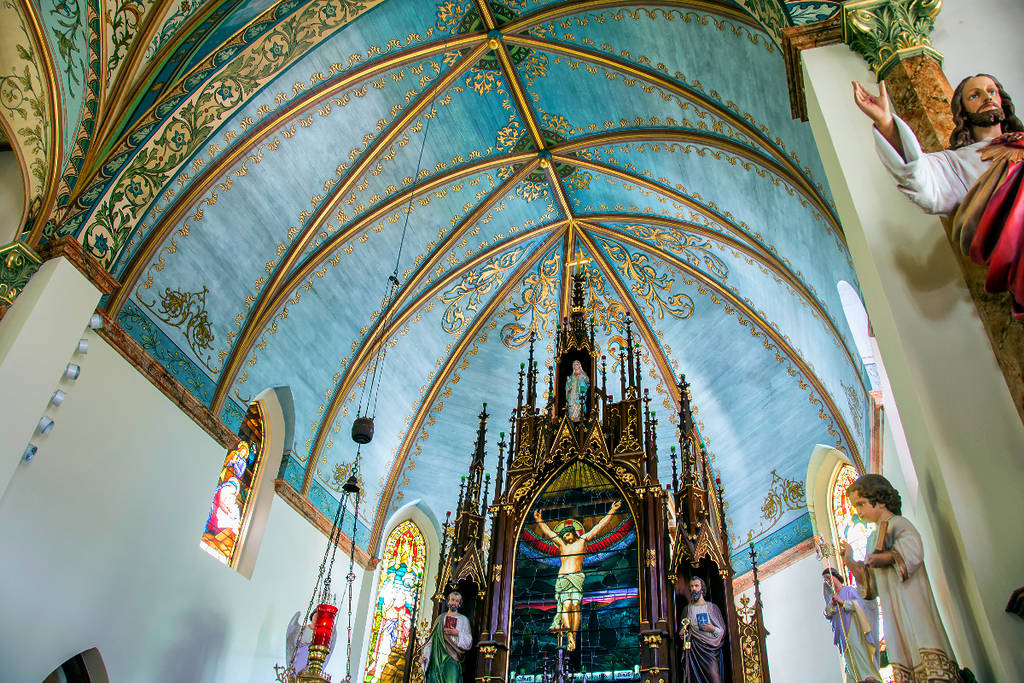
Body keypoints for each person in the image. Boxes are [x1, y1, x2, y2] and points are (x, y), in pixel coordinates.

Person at [853, 75, 1024, 316]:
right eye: (975, 95)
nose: (987, 97)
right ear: (963, 112)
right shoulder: (956, 163)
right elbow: (917, 176)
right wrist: (887, 123)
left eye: (992, 92)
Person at [840, 474, 960, 682]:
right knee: (903, 651)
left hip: (912, 601)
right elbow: (870, 587)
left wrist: (885, 558)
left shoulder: (898, 524)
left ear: (879, 499)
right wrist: (850, 560)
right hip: (892, 609)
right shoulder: (871, 541)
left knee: (923, 642)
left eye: (861, 504)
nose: (858, 511)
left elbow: (913, 552)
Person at [532, 500, 623, 650]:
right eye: (564, 535)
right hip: (563, 579)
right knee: (566, 605)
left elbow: (598, 527)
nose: (567, 537)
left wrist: (612, 511)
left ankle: (573, 634)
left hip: (576, 577)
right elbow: (549, 533)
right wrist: (539, 520)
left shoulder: (583, 541)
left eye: (568, 534)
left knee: (575, 605)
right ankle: (569, 637)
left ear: (574, 534)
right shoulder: (561, 545)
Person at [822, 568, 882, 683]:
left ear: (836, 576)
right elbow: (827, 613)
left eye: (829, 578)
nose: (828, 582)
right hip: (842, 635)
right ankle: (855, 679)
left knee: (858, 651)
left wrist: (843, 603)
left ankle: (867, 676)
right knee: (848, 657)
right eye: (825, 580)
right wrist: (833, 605)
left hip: (853, 629)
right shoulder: (832, 598)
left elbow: (860, 606)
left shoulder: (849, 591)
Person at [680, 576, 726, 683]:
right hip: (694, 649)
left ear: (702, 588)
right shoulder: (687, 609)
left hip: (710, 649)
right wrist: (683, 633)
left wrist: (712, 629)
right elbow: (683, 630)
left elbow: (722, 631)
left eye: (696, 586)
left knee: (714, 677)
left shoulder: (712, 607)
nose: (694, 589)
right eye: (691, 586)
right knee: (694, 678)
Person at [421, 591, 473, 683]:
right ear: (448, 602)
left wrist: (457, 633)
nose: (454, 603)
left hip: (453, 658)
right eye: (452, 600)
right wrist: (426, 654)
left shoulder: (463, 620)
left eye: (457, 601)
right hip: (437, 658)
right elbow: (432, 641)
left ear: (459, 604)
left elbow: (469, 642)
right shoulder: (440, 619)